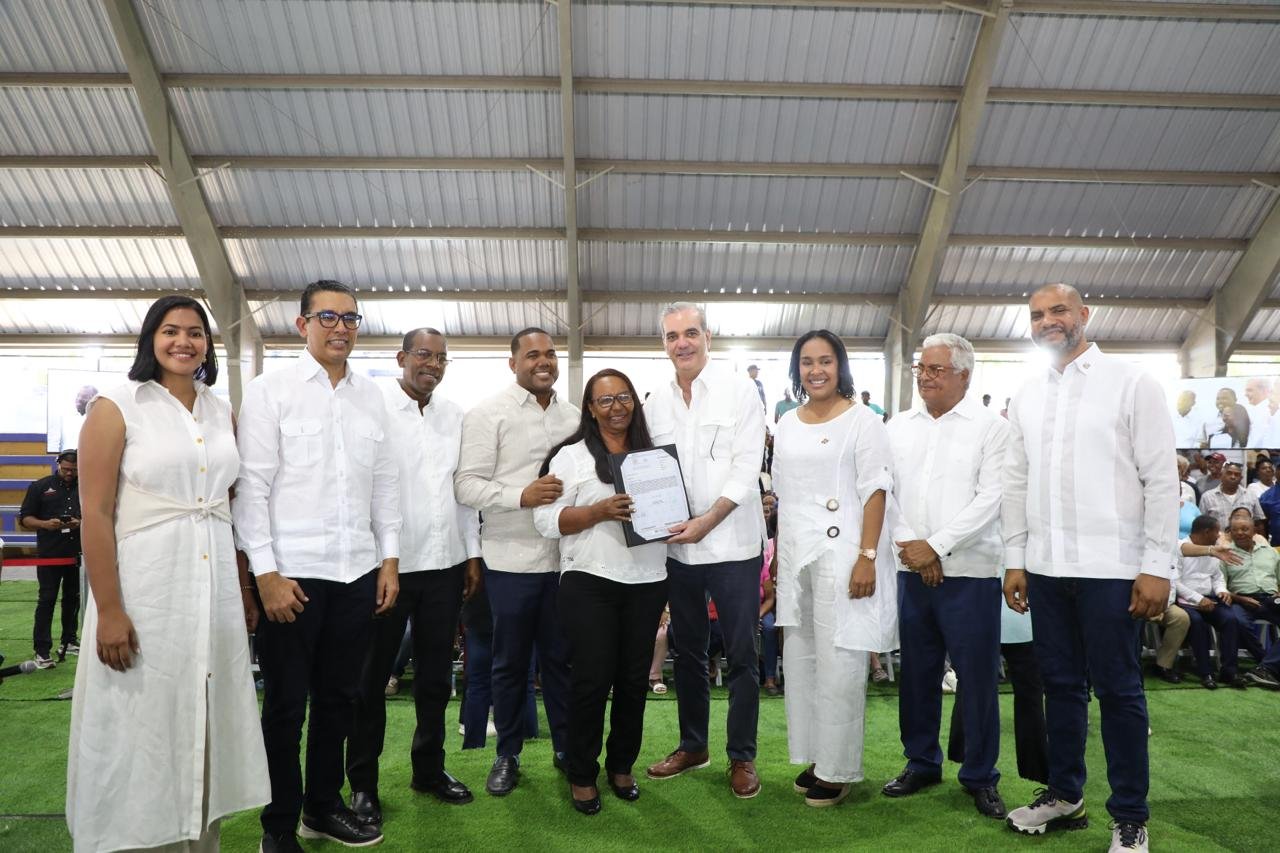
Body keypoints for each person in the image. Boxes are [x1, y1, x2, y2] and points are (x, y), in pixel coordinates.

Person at [68, 294, 269, 852]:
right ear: (150, 339)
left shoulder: (219, 410)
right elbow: (96, 515)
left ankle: (199, 839)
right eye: (171, 330)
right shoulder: (116, 405)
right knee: (140, 718)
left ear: (208, 344)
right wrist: (110, 610)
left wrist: (244, 588)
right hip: (145, 586)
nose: (184, 341)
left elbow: (228, 505)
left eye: (195, 332)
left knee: (204, 712)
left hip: (213, 586)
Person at [1002, 284, 1176, 853]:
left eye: (1057, 310)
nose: (1046, 321)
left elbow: (1160, 478)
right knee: (1059, 687)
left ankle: (1129, 815)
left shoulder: (1132, 382)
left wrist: (1156, 565)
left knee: (1120, 692)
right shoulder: (1026, 394)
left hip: (1113, 568)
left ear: (1084, 315)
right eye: (1036, 315)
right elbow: (1016, 482)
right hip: (1046, 568)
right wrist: (1016, 559)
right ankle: (1065, 794)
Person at [235, 280, 401, 851]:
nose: (341, 328)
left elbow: (385, 485)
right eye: (328, 317)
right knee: (285, 707)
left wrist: (389, 560)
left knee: (340, 700)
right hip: (292, 577)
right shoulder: (270, 391)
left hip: (356, 573)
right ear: (302, 324)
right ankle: (279, 825)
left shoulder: (372, 396)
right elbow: (252, 489)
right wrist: (265, 574)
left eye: (351, 318)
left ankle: (322, 808)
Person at [344, 328, 482, 831]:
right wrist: (384, 559)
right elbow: (365, 487)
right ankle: (363, 783)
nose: (433, 365)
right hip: (389, 567)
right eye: (424, 355)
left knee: (435, 678)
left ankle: (428, 769)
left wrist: (472, 554)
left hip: (445, 565)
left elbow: (461, 491)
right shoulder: (374, 408)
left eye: (442, 358)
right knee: (371, 679)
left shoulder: (454, 415)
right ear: (401, 357)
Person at [642, 303, 767, 799]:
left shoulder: (741, 391)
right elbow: (647, 469)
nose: (682, 343)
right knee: (688, 652)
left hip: (734, 547)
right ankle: (693, 746)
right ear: (664, 344)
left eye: (690, 333)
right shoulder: (655, 402)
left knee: (742, 655)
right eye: (672, 336)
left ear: (708, 337)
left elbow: (746, 469)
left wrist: (707, 522)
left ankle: (742, 756)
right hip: (679, 553)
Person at [883, 333, 1008, 819]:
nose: (925, 377)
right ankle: (921, 761)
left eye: (936, 369)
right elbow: (884, 492)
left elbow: (991, 498)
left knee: (976, 678)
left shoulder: (991, 428)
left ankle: (980, 774)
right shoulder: (898, 426)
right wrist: (914, 545)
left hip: (971, 572)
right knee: (917, 672)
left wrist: (934, 545)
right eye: (921, 368)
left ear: (964, 376)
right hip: (911, 567)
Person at [532, 368, 668, 815]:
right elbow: (545, 522)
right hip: (589, 580)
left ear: (635, 402)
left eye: (623, 397)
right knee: (591, 681)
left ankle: (621, 765)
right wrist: (597, 512)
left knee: (633, 682)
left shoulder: (655, 458)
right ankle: (581, 772)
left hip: (647, 580)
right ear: (590, 409)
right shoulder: (570, 457)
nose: (616, 407)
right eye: (605, 400)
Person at [772, 329, 897, 807]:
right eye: (807, 362)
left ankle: (839, 768)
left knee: (841, 662)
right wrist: (780, 560)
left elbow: (876, 490)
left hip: (843, 553)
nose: (816, 370)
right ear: (797, 369)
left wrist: (867, 556)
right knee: (803, 659)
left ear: (840, 366)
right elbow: (784, 494)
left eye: (825, 361)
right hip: (797, 555)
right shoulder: (787, 422)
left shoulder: (863, 421)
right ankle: (816, 757)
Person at [454, 327, 578, 796]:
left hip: (566, 561)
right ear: (513, 363)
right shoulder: (488, 414)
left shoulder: (573, 417)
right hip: (510, 561)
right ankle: (507, 754)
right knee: (509, 665)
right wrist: (520, 495)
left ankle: (566, 749)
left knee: (562, 663)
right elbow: (466, 485)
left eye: (550, 354)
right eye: (532, 355)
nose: (543, 361)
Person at [21, 449, 82, 668]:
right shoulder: (40, 486)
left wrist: (80, 522)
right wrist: (45, 524)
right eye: (66, 469)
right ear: (58, 464)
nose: (70, 473)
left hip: (77, 554)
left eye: (74, 470)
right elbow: (25, 519)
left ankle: (69, 640)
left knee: (73, 599)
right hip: (49, 554)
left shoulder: (86, 486)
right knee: (47, 600)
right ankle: (42, 649)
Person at [1173, 515, 1245, 689]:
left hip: (1210, 599)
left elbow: (1217, 577)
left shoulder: (1214, 549)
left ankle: (1229, 672)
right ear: (1206, 532)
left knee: (1231, 619)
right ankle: (1205, 673)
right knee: (1197, 622)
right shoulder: (1180, 548)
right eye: (1216, 531)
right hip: (1186, 601)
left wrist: (1222, 591)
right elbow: (1175, 582)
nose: (1219, 535)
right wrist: (1199, 599)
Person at [1219, 512, 1280, 690]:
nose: (1240, 533)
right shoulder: (1225, 554)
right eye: (1235, 530)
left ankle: (1265, 667)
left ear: (1254, 531)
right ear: (1230, 532)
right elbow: (1220, 586)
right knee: (1236, 621)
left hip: (1270, 599)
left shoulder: (1270, 552)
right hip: (1240, 600)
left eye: (1245, 529)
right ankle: (1265, 663)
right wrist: (1239, 598)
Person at [1198, 461, 1264, 530]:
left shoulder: (1251, 496)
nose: (1233, 477)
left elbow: (1259, 522)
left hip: (1245, 536)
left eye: (1237, 474)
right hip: (1217, 537)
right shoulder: (1207, 497)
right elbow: (1201, 524)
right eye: (1229, 473)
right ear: (1221, 475)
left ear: (1241, 478)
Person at [1243, 378, 1272, 447]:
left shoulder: (1266, 411)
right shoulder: (1257, 410)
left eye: (1249, 390)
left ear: (1264, 391)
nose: (1245, 394)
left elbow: (1255, 444)